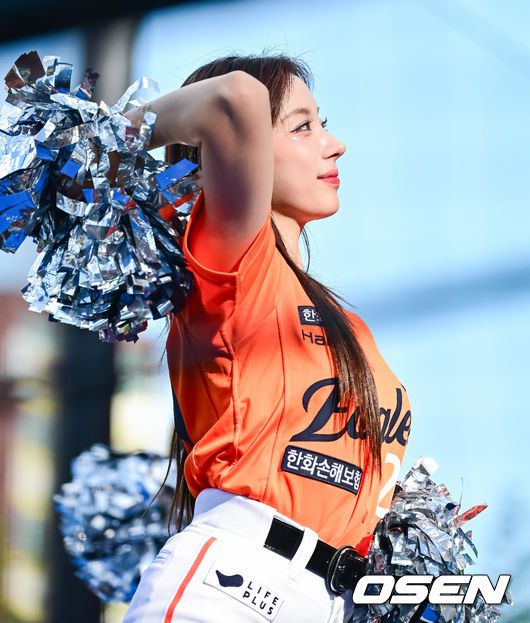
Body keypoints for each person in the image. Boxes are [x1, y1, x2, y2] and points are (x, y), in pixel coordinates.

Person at [122, 52, 412, 623]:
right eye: (302, 126)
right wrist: (108, 142)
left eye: (323, 124)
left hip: (330, 603)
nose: (334, 144)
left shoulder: (353, 329)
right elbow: (236, 98)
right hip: (234, 583)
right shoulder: (237, 265)